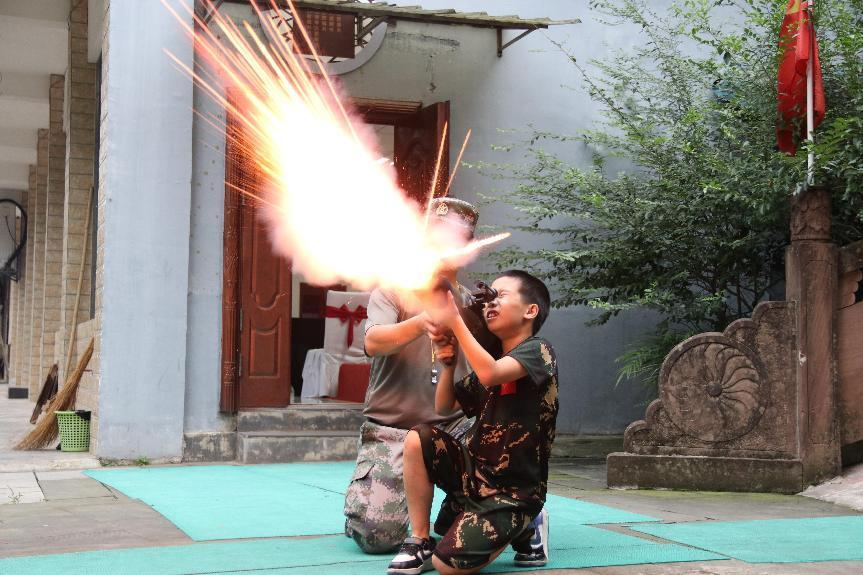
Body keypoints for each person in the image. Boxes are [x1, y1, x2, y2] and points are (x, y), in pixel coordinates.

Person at [387, 270, 557, 575]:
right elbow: (444, 406)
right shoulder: (489, 365)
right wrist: (448, 365)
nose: (490, 302)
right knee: (418, 437)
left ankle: (527, 523)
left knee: (446, 566)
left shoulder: (539, 350)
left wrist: (454, 320)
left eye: (501, 295)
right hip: (476, 477)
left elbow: (491, 374)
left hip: (514, 492)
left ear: (530, 311)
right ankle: (420, 539)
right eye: (489, 296)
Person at [344, 197, 489, 554]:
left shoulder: (474, 304)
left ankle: (455, 506)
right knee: (377, 538)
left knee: (492, 511)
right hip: (394, 428)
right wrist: (423, 321)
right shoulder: (392, 291)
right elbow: (374, 342)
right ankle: (363, 506)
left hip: (454, 428)